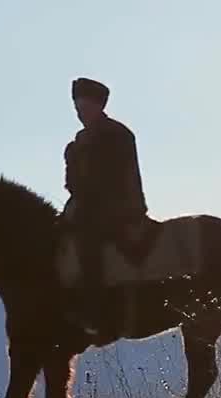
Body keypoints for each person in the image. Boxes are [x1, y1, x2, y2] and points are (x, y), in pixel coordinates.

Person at [61, 77, 148, 333]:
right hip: (86, 207)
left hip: (119, 208)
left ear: (99, 106)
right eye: (77, 109)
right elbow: (74, 183)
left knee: (90, 243)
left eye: (84, 108)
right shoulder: (78, 141)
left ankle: (96, 309)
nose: (80, 114)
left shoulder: (117, 135)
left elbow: (115, 179)